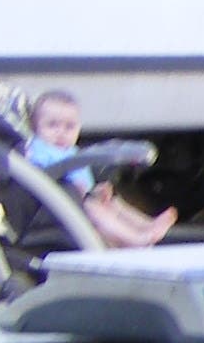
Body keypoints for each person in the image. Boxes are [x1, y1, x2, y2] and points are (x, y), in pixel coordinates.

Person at [25, 90, 176, 249]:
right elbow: (48, 176)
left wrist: (96, 190)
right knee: (96, 209)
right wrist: (85, 193)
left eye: (69, 127)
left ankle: (146, 225)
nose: (61, 132)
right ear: (36, 128)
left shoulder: (69, 150)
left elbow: (81, 178)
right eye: (52, 125)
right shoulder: (39, 150)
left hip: (80, 198)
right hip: (56, 204)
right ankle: (136, 237)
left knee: (114, 203)